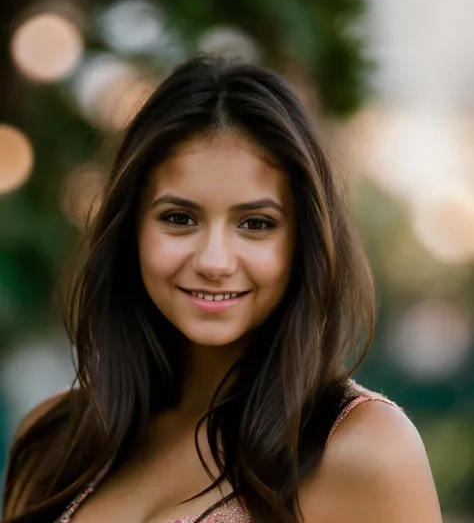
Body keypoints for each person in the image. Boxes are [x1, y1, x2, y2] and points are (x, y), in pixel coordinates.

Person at [3, 56, 442, 523]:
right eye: (179, 218)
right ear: (131, 231)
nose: (214, 262)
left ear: (304, 242)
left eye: (256, 224)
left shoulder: (364, 449)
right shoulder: (53, 439)